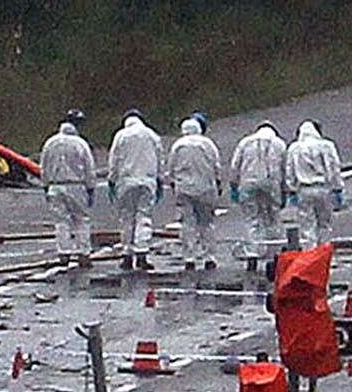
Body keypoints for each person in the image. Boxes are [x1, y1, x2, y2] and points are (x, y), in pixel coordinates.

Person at [107, 109, 163, 270]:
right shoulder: (152, 135)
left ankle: (127, 254)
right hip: (147, 180)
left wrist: (112, 180)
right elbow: (160, 158)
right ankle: (142, 253)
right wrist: (159, 179)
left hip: (126, 181)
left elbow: (114, 159)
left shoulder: (121, 135)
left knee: (127, 218)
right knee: (143, 216)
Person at [229, 121, 288, 271]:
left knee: (252, 219)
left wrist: (234, 185)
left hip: (248, 183)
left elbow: (235, 165)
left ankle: (252, 255)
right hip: (271, 183)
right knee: (273, 218)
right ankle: (275, 255)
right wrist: (285, 190)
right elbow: (285, 168)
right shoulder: (279, 144)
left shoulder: (245, 142)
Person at [166, 116, 222, 272]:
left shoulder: (178, 145)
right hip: (205, 188)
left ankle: (189, 258)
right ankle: (209, 257)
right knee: (206, 223)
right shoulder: (207, 144)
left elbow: (171, 168)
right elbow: (216, 165)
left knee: (187, 224)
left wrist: (173, 183)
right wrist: (218, 182)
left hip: (184, 189)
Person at [40, 110, 95, 268]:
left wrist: (46, 185)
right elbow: (89, 168)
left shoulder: (50, 142)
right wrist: (91, 188)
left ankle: (63, 253)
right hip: (76, 186)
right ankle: (83, 253)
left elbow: (44, 167)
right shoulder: (80, 143)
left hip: (55, 186)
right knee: (81, 220)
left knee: (61, 221)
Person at [285, 119, 345, 248]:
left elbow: (289, 171)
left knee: (307, 226)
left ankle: (310, 257)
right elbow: (334, 167)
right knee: (324, 224)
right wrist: (337, 188)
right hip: (323, 189)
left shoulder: (294, 148)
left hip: (304, 190)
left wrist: (291, 190)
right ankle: (324, 255)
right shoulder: (327, 145)